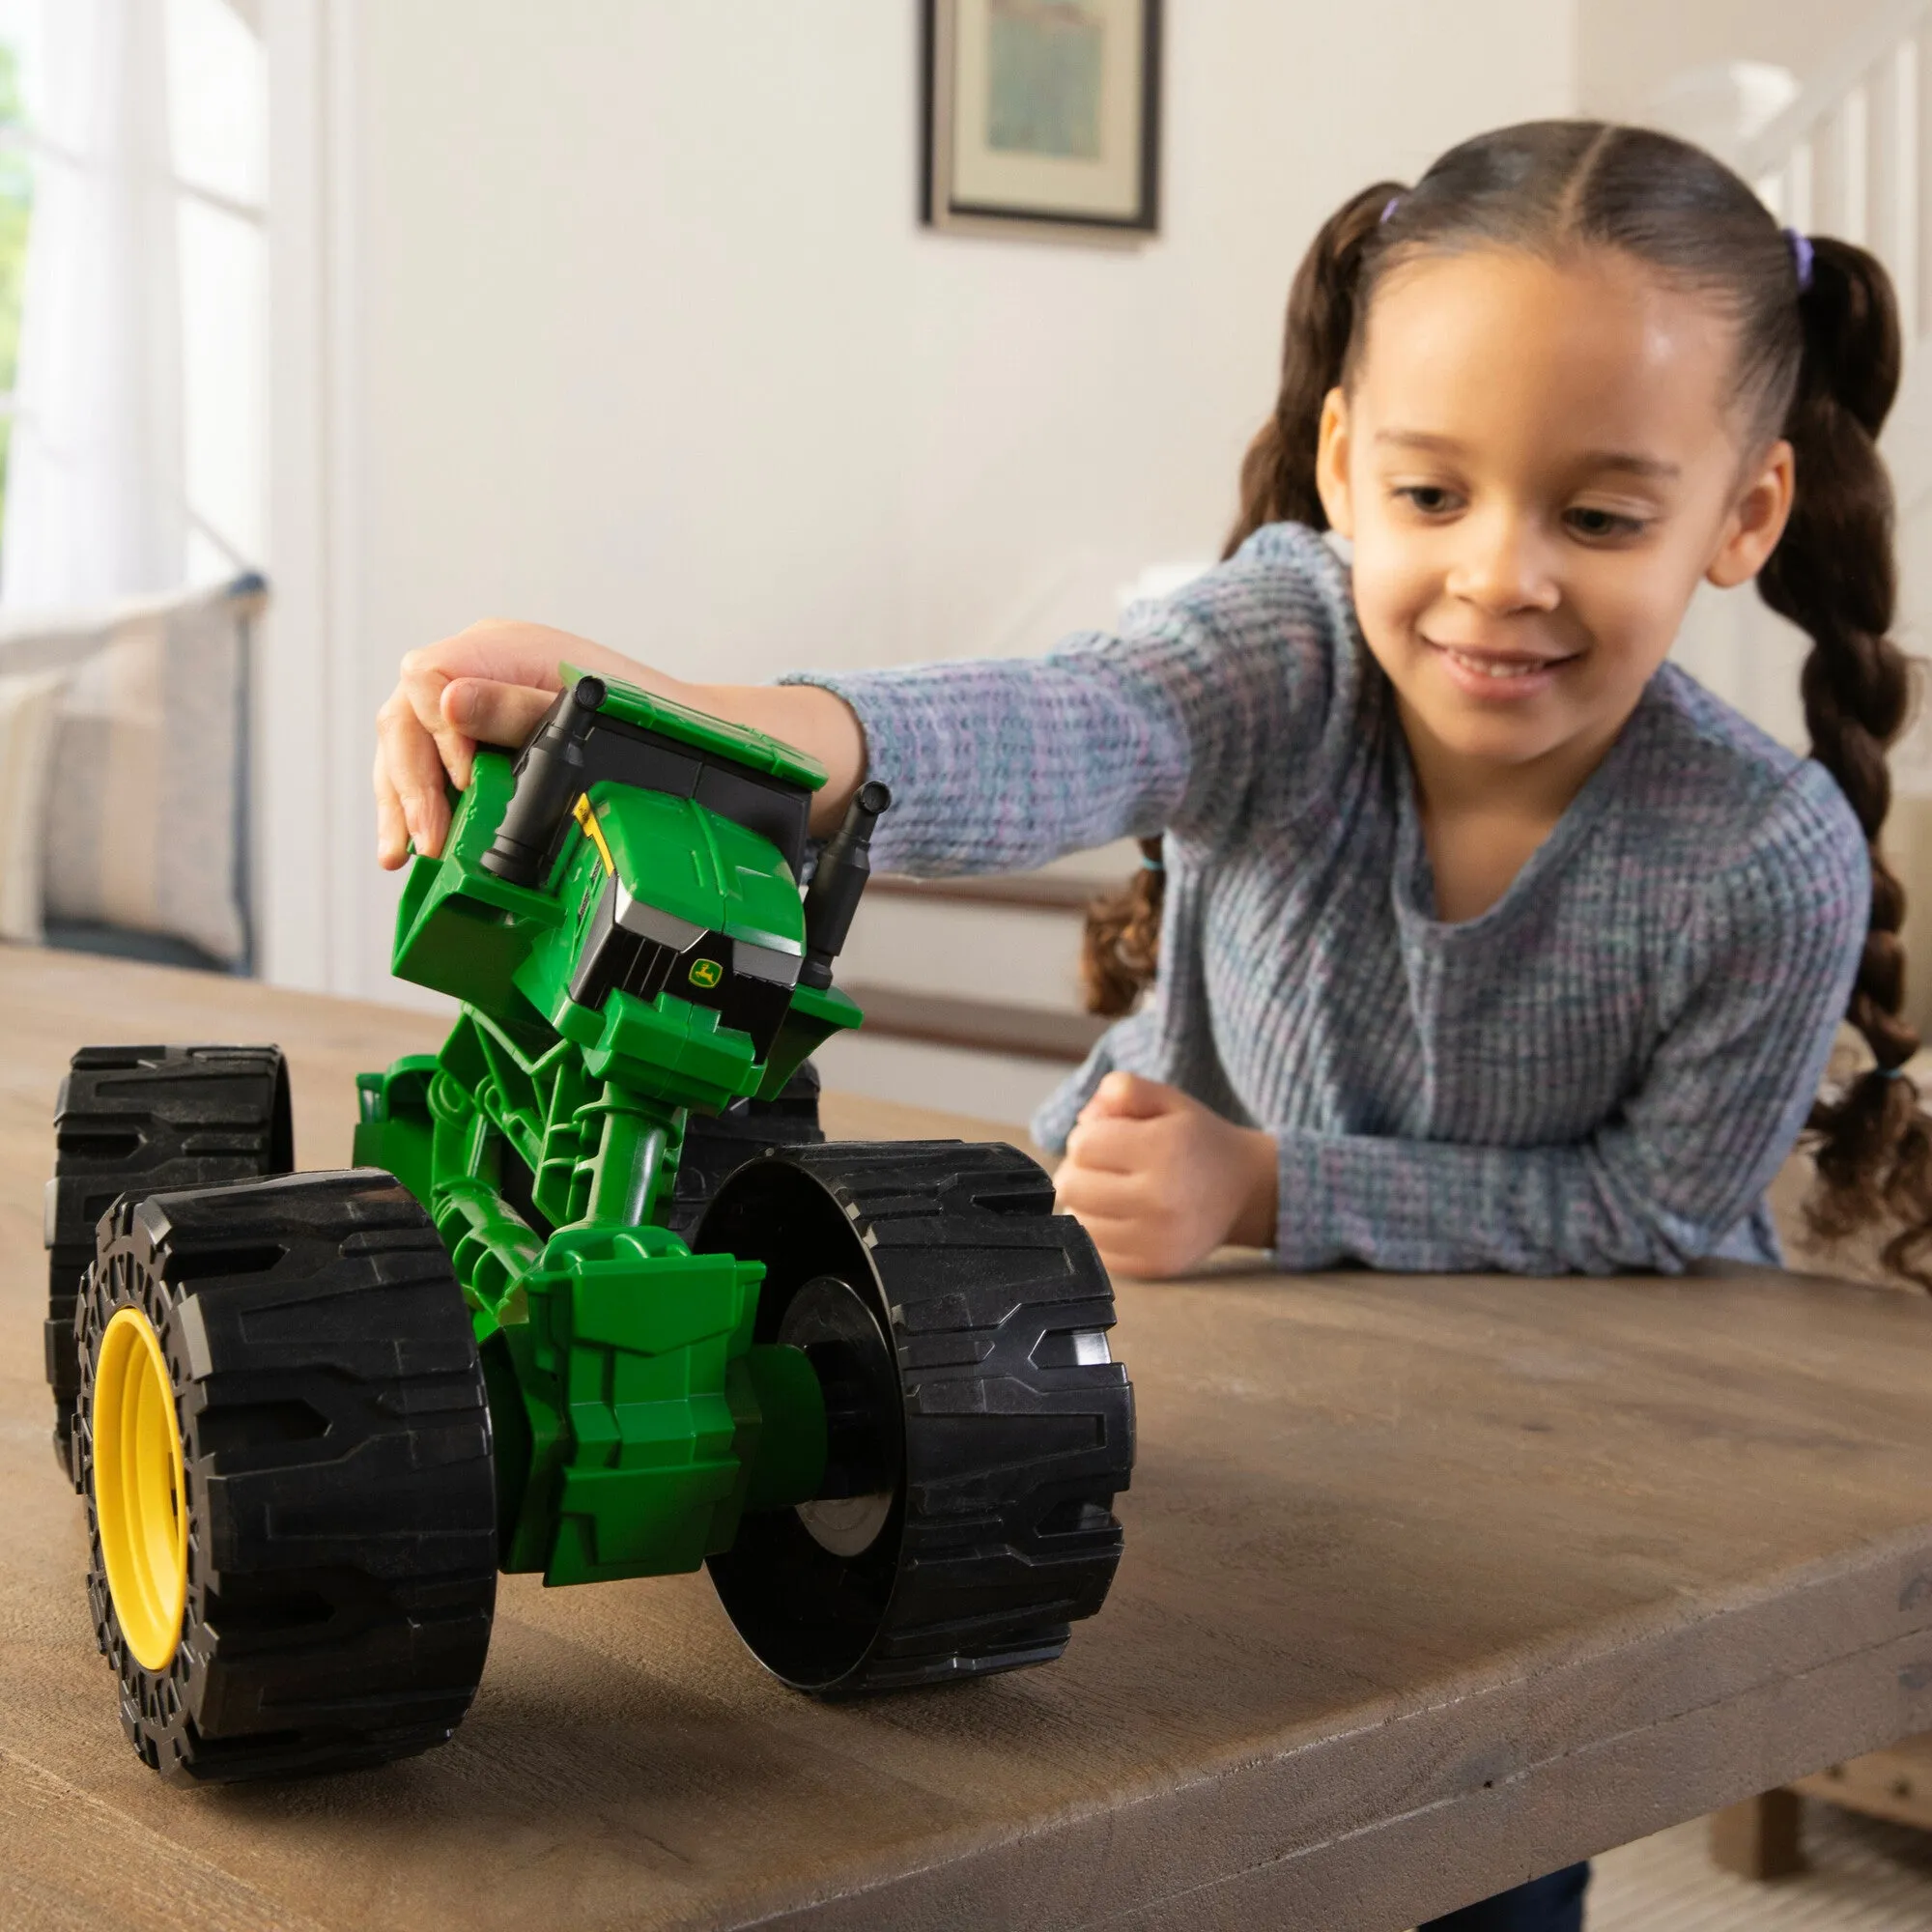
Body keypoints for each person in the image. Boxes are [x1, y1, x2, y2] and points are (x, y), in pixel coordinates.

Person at [373, 121, 1922, 1929]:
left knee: (1470, 1843)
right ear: (1343, 466)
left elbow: (1662, 1213)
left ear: (1743, 515)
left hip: (1547, 1488)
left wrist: (1267, 1186)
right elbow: (1061, 721)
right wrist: (694, 714)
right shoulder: (1282, 647)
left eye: (1598, 514)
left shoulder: (1767, 854)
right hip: (1213, 1409)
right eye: (1434, 496)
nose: (1502, 576)